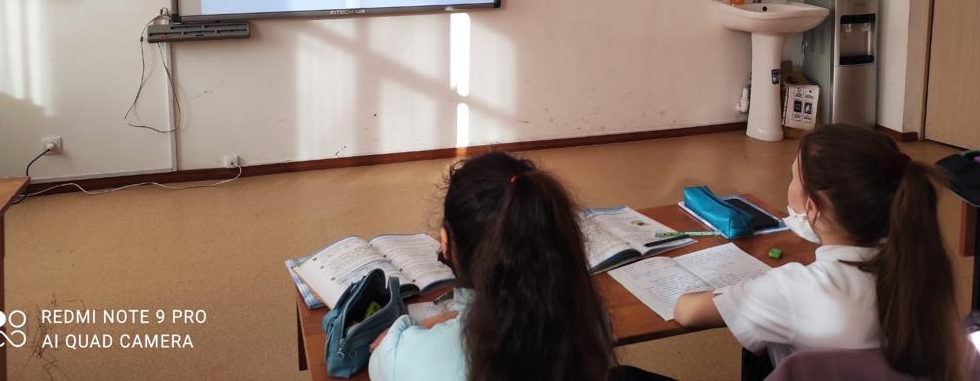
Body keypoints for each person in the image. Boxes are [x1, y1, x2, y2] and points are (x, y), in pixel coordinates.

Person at [673, 125, 967, 381]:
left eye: (792, 177)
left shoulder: (791, 289)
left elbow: (687, 312)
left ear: (812, 208)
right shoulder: (924, 276)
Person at [368, 151, 673, 381]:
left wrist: (434, 322)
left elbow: (383, 353)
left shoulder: (405, 355)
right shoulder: (590, 322)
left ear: (446, 243)